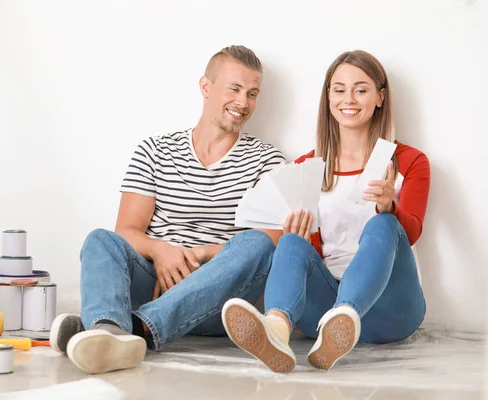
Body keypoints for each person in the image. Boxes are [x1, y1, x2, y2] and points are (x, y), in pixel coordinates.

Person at [49, 45, 287, 374]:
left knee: (258, 243)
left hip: (220, 298)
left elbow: (272, 241)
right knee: (100, 240)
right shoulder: (155, 151)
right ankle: (108, 331)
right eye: (234, 89)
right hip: (155, 281)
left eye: (253, 93)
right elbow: (127, 230)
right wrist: (161, 251)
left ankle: (134, 328)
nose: (243, 103)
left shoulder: (268, 161)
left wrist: (199, 254)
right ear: (206, 87)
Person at [221, 50, 430, 373]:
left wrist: (389, 205)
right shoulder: (308, 167)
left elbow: (412, 232)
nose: (349, 99)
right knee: (290, 243)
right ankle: (277, 330)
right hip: (324, 305)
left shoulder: (409, 161)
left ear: (380, 97)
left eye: (361, 89)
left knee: (383, 224)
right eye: (339, 89)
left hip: (392, 309)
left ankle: (346, 314)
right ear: (328, 97)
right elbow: (311, 252)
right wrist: (299, 236)